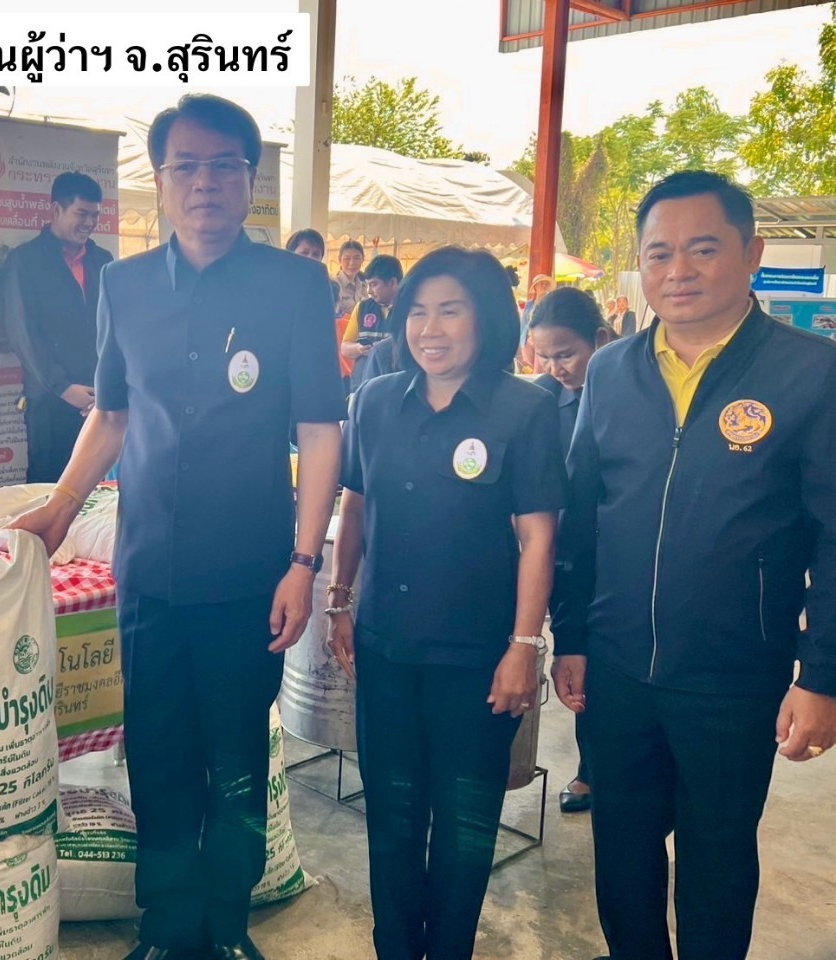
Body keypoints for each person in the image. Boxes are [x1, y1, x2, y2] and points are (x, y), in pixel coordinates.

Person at [11, 94, 345, 960]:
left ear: (250, 179)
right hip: (150, 571)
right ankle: (166, 929)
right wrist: (60, 507)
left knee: (235, 760)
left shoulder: (295, 287)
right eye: (185, 167)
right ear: (159, 182)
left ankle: (226, 928)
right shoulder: (123, 287)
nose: (205, 183)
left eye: (223, 166)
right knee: (158, 756)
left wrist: (304, 561)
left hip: (250, 572)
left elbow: (319, 430)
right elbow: (112, 415)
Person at [551, 170, 836, 960]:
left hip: (733, 678)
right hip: (616, 671)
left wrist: (822, 676)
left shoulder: (811, 373)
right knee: (623, 854)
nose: (678, 270)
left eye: (703, 249)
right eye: (659, 253)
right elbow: (582, 520)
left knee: (717, 860)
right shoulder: (611, 371)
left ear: (752, 252)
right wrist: (571, 638)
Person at [328, 246, 565, 960]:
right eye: (419, 313)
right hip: (386, 650)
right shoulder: (374, 400)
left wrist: (524, 647)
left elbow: (538, 536)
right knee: (392, 818)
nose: (430, 329)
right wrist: (339, 602)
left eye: (450, 311)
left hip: (478, 660)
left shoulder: (525, 409)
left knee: (465, 827)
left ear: (485, 319)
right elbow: (355, 506)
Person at [527, 286, 611, 814]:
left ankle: (596, 769)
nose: (555, 367)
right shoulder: (539, 400)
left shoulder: (626, 392)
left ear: (598, 340)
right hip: (554, 550)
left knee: (601, 663)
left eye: (566, 354)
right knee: (567, 655)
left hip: (612, 552)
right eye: (544, 356)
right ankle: (586, 767)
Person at [0, 171, 114, 482]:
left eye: (95, 215)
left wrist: (107, 389)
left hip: (98, 400)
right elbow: (23, 334)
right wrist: (62, 387)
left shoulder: (103, 261)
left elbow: (116, 328)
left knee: (99, 490)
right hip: (50, 400)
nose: (89, 222)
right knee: (49, 488)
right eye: (81, 213)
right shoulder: (25, 261)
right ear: (55, 210)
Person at [287, 228, 347, 382]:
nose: (310, 258)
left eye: (316, 254)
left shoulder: (327, 287)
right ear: (290, 254)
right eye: (304, 252)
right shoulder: (279, 286)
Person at [340, 254, 403, 391]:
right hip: (363, 385)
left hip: (397, 385)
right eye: (367, 285)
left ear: (393, 283)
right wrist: (359, 349)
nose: (369, 291)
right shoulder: (362, 308)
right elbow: (344, 347)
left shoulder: (410, 309)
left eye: (374, 284)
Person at [519, 272, 555, 368]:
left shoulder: (551, 303)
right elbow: (524, 323)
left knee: (539, 369)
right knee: (528, 369)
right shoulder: (529, 304)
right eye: (541, 283)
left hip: (543, 340)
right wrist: (522, 341)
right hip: (528, 339)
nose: (544, 286)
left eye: (546, 284)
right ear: (535, 287)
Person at [334, 239, 366, 320]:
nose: (352, 263)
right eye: (347, 258)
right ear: (339, 259)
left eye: (357, 258)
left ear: (363, 259)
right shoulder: (334, 285)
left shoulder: (364, 285)